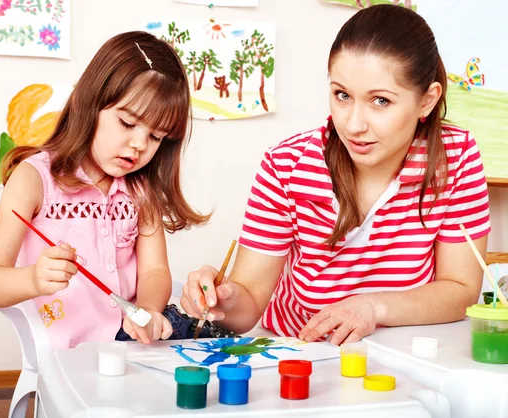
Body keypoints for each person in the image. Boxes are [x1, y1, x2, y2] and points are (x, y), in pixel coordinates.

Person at [181, 5, 491, 346]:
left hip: (406, 352)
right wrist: (223, 299)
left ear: (427, 101)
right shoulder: (285, 165)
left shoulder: (456, 156)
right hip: (303, 353)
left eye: (381, 101)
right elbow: (249, 304)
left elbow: (461, 290)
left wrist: (373, 307)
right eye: (342, 95)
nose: (354, 125)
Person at [0, 31, 236, 349]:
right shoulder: (33, 179)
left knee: (222, 356)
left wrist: (149, 310)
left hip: (133, 342)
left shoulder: (141, 191)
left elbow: (155, 270)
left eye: (156, 136)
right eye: (127, 123)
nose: (139, 144)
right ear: (90, 104)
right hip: (74, 354)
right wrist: (32, 278)